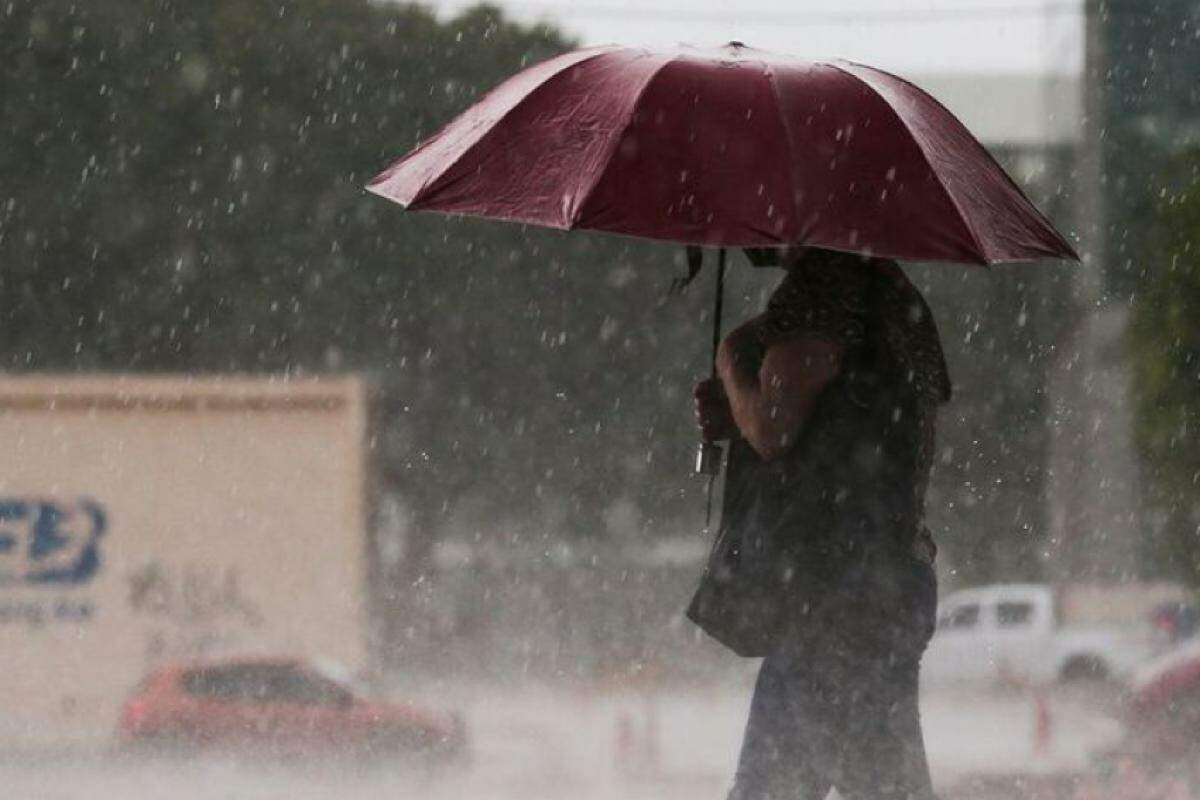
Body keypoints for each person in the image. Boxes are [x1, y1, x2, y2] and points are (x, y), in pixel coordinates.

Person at [693, 246, 952, 800]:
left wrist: (732, 366)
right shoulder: (889, 293)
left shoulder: (823, 289)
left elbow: (773, 427)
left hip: (831, 593)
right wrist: (739, 410)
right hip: (884, 582)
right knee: (881, 786)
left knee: (773, 788)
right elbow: (831, 429)